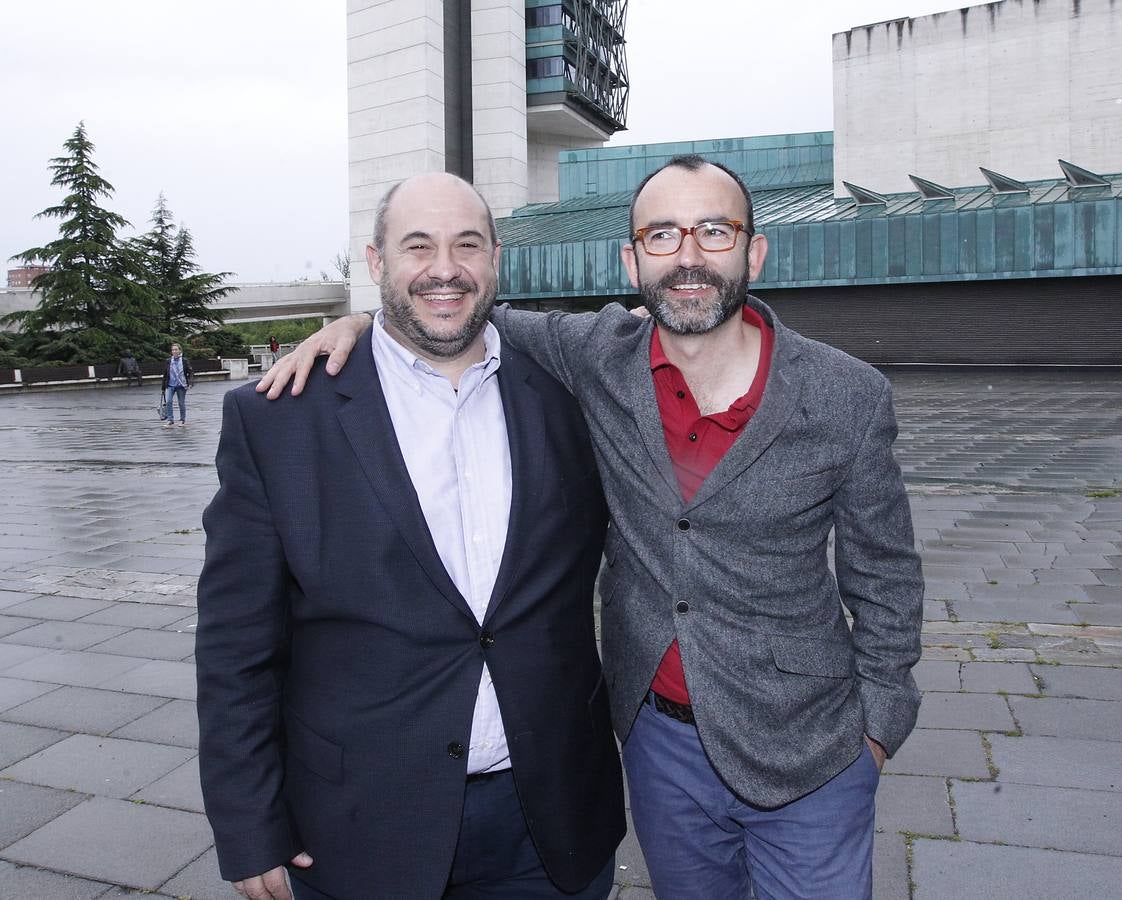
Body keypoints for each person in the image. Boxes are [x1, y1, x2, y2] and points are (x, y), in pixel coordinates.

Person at [263, 155, 925, 899]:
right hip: (659, 745)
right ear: (632, 258)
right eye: (663, 235)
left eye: (714, 231)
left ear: (754, 251)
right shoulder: (596, 356)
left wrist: (877, 728)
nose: (689, 257)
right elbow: (451, 307)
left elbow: (888, 577)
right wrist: (356, 321)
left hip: (813, 747)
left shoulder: (846, 394)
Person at [196, 172, 624, 900]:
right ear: (374, 263)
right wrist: (247, 823)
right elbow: (238, 645)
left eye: (466, 245)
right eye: (417, 246)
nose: (444, 268)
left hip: (550, 822)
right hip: (360, 826)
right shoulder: (280, 421)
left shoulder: (573, 394)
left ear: (494, 257)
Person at [160, 343, 193, 427]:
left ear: (180, 350)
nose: (174, 351)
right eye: (173, 350)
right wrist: (163, 387)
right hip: (170, 385)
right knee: (168, 401)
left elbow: (190, 372)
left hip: (181, 385)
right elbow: (165, 374)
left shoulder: (184, 360)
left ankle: (182, 420)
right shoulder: (168, 361)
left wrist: (190, 382)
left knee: (181, 403)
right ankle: (170, 420)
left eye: (176, 349)